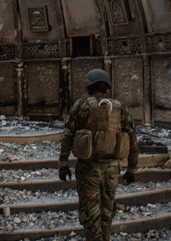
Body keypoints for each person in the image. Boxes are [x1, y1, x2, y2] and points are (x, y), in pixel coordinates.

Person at [58, 69, 138, 241]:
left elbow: (68, 136)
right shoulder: (119, 107)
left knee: (91, 215)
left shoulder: (80, 105)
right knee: (106, 214)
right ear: (107, 87)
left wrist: (63, 165)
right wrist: (132, 169)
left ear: (89, 87)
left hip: (88, 170)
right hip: (112, 171)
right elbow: (132, 138)